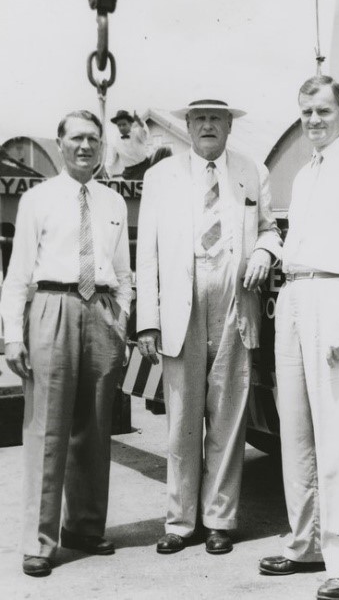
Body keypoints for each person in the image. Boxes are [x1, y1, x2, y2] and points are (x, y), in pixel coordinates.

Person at [258, 76, 339, 600]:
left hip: (337, 299)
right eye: (307, 112)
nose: (314, 120)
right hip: (295, 297)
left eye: (323, 111)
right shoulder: (307, 173)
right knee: (298, 436)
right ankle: (306, 543)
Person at [136, 98, 282, 556]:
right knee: (181, 422)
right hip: (181, 307)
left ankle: (220, 519)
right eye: (198, 117)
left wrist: (263, 253)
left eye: (216, 118)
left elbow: (269, 229)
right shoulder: (161, 176)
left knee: (227, 417)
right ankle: (181, 523)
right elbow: (147, 254)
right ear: (186, 124)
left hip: (234, 305)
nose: (207, 126)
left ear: (229, 125)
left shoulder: (251, 170)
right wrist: (148, 321)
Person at [0, 110, 132, 577]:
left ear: (102, 146)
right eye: (76, 138)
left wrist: (121, 316)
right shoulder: (37, 199)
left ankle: (85, 527)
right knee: (47, 428)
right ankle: (40, 540)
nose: (85, 146)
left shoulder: (113, 201)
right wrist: (13, 336)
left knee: (95, 427)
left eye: (93, 139)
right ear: (59, 144)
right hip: (52, 306)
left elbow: (123, 271)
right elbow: (17, 276)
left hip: (100, 310)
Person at [106, 109, 150, 179]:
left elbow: (144, 133)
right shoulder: (115, 140)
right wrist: (107, 173)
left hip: (145, 167)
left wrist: (139, 121)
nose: (121, 127)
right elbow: (110, 159)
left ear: (130, 124)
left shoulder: (137, 133)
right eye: (119, 125)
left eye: (124, 124)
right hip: (129, 172)